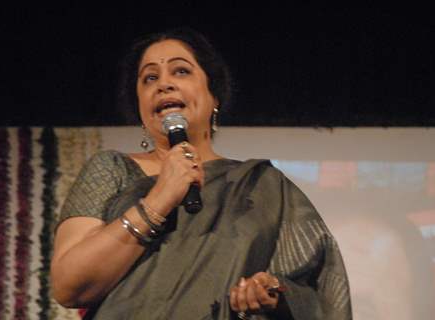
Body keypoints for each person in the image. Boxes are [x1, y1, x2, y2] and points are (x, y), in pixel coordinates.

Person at [50, 28, 352, 320]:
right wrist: (158, 200)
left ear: (214, 96)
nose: (163, 84)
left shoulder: (262, 187)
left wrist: (274, 296)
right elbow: (68, 286)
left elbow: (323, 296)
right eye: (149, 78)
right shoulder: (111, 168)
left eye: (181, 71)